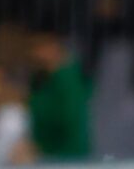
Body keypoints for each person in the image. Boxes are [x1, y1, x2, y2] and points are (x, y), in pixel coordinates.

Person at [26, 27, 94, 160]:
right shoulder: (39, 78)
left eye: (39, 47)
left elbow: (69, 118)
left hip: (68, 157)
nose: (34, 54)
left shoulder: (68, 77)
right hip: (46, 157)